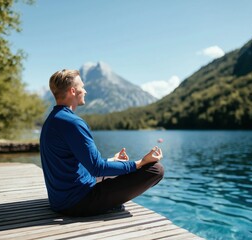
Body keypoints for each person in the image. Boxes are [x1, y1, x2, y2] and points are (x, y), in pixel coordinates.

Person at [40, 69, 164, 216]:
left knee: (117, 168)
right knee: (155, 169)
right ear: (73, 91)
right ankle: (107, 205)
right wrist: (140, 163)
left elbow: (80, 165)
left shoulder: (52, 120)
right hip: (76, 202)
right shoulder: (73, 123)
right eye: (82, 87)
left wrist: (112, 160)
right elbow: (97, 168)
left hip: (60, 199)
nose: (85, 91)